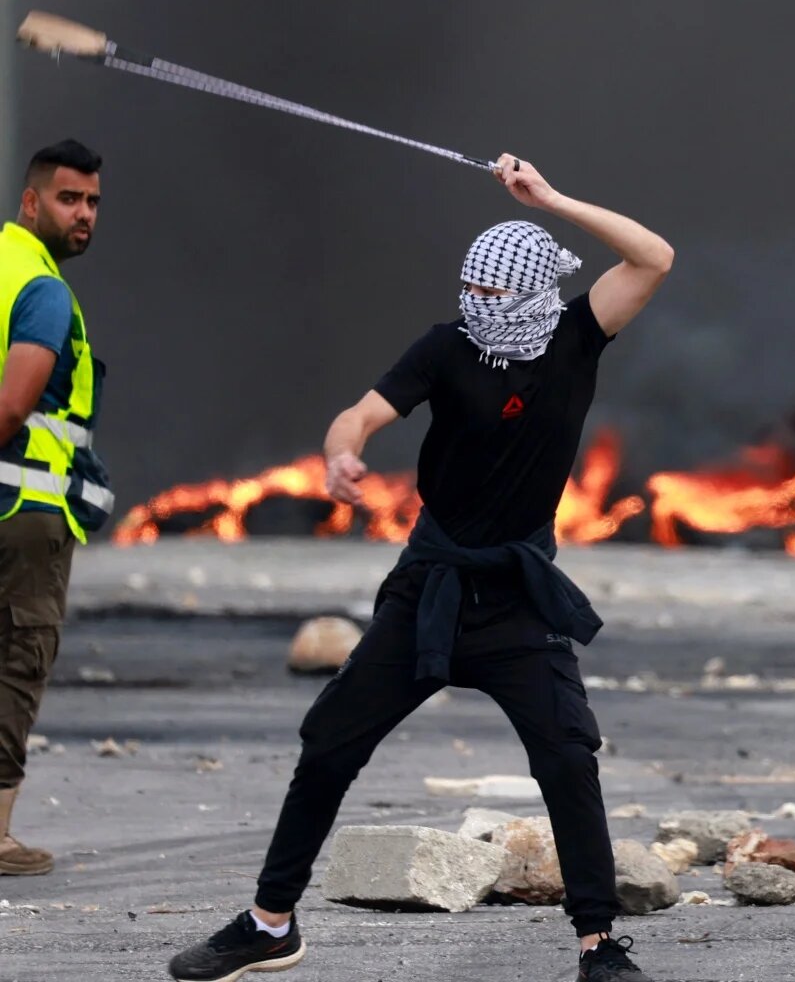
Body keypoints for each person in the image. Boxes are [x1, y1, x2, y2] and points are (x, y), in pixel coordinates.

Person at [166, 154, 673, 982]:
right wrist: (340, 454)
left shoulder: (579, 336)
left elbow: (654, 257)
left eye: (492, 295)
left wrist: (547, 198)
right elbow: (360, 414)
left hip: (518, 598)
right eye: (469, 291)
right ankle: (269, 925)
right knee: (329, 739)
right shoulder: (447, 347)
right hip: (431, 584)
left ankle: (598, 945)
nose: (475, 306)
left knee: (566, 756)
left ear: (535, 293)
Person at [0, 139, 115, 879]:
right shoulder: (42, 289)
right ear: (30, 201)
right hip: (26, 513)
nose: (84, 215)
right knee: (18, 658)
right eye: (70, 200)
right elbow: (14, 402)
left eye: (94, 203)